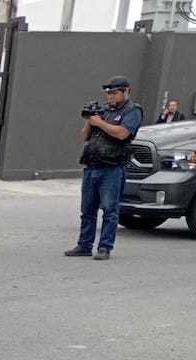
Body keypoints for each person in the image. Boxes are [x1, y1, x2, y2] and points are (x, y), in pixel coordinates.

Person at [66, 77, 144, 261]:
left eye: (115, 92)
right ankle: (84, 245)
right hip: (92, 165)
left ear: (126, 91)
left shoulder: (132, 110)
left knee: (110, 210)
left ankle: (105, 247)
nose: (111, 97)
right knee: (87, 210)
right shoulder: (104, 111)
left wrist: (99, 122)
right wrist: (89, 119)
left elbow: (122, 133)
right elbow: (85, 136)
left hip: (112, 167)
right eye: (109, 93)